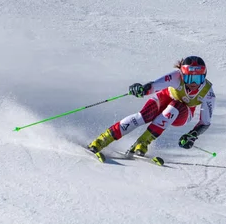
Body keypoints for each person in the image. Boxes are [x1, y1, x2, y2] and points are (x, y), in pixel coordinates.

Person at [87, 56, 215, 160]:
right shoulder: (176, 76)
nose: (193, 83)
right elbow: (154, 85)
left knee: (175, 107)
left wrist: (192, 135)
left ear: (204, 76)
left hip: (183, 113)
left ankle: (142, 143)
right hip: (164, 98)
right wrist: (141, 89)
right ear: (182, 75)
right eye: (189, 78)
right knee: (142, 116)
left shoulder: (207, 93)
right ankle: (102, 140)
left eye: (198, 79)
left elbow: (205, 122)